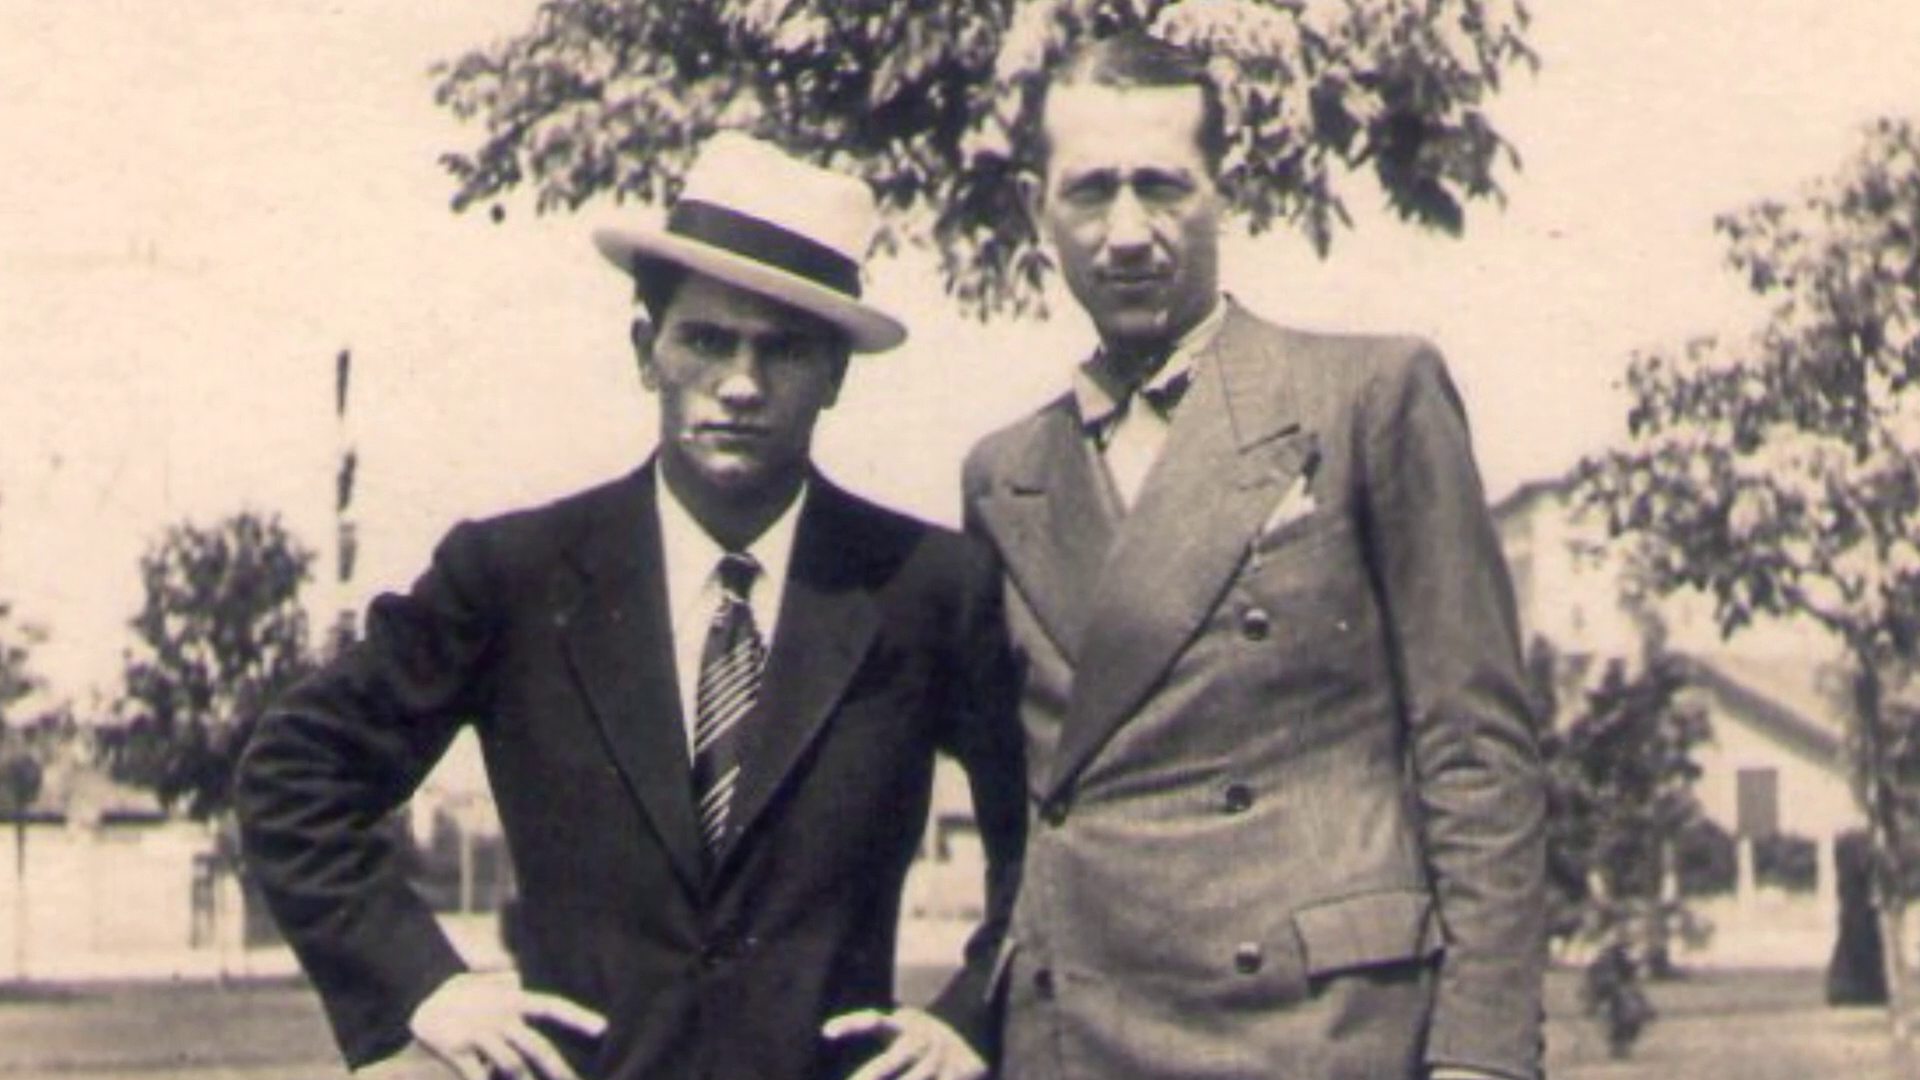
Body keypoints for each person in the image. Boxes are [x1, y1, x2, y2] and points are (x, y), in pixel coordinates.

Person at [236, 132, 1026, 1080]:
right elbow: (295, 774)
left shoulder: (926, 587)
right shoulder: (515, 576)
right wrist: (427, 986)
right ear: (647, 351)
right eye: (706, 340)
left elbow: (1048, 835)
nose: (741, 384)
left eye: (783, 350)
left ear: (835, 375)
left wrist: (972, 1018)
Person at [961, 33, 1548, 1080]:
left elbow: (1478, 752)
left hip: (1318, 1032)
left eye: (1162, 186)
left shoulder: (1368, 397)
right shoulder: (1004, 474)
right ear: (1032, 208)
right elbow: (1015, 819)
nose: (1128, 233)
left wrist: (1482, 1055)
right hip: (1076, 1040)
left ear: (1221, 192)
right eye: (1091, 191)